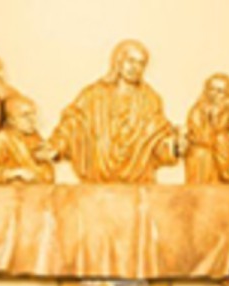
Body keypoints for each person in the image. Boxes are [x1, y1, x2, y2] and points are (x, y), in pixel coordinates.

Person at [49, 39, 182, 183]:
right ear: (118, 61)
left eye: (141, 63)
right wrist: (57, 147)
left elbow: (156, 141)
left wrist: (175, 146)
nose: (135, 67)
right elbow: (72, 125)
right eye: (130, 61)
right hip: (96, 182)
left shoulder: (150, 100)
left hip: (139, 185)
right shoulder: (93, 96)